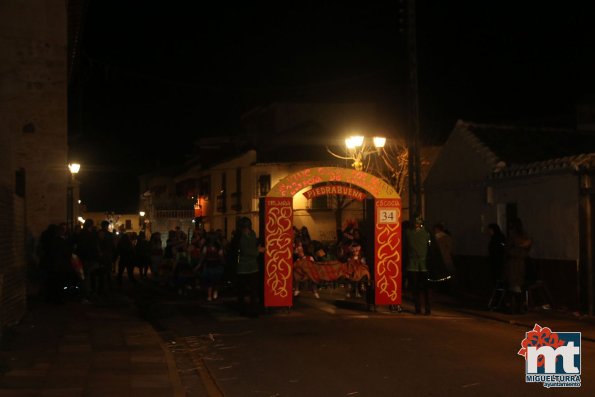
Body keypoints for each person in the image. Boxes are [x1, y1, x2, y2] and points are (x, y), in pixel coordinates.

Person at [405, 216, 432, 315]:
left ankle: (424, 308)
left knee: (421, 288)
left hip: (421, 264)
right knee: (418, 288)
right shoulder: (424, 233)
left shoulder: (410, 232)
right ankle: (419, 307)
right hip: (415, 264)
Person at [505, 218, 532, 314]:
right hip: (519, 262)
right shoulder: (524, 236)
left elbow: (508, 250)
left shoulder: (514, 237)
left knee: (515, 285)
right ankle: (517, 306)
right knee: (516, 285)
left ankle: (516, 307)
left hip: (515, 263)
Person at [236, 217, 261, 316]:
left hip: (249, 267)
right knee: (245, 291)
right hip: (245, 267)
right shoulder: (243, 237)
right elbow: (246, 251)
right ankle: (246, 310)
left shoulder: (250, 235)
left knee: (251, 291)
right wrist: (257, 251)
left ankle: (250, 310)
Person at [200, 233, 225, 301]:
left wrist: (200, 264)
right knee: (215, 280)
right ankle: (213, 294)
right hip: (215, 264)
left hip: (210, 264)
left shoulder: (206, 247)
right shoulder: (218, 247)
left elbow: (203, 256)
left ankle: (210, 295)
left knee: (210, 281)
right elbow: (221, 256)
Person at [487, 223, 506, 288]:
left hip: (499, 262)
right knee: (496, 279)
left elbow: (503, 247)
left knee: (499, 279)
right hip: (494, 262)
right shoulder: (493, 239)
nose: (489, 232)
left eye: (490, 230)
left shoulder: (499, 238)